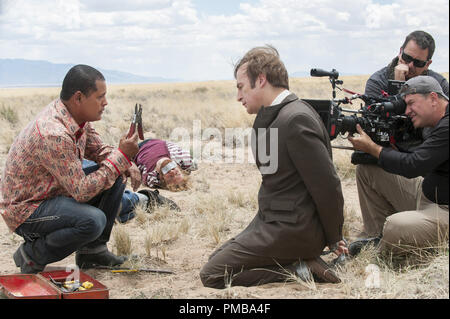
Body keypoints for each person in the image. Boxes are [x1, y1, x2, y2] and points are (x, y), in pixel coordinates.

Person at [199, 46, 348, 289]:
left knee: (213, 275)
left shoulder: (296, 118)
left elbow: (327, 186)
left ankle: (302, 268)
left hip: (294, 229)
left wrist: (334, 238)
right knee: (215, 260)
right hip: (273, 222)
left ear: (261, 80)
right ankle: (301, 262)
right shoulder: (274, 116)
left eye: (240, 86)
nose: (238, 96)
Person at [0, 64, 141, 273]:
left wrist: (124, 161)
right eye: (100, 97)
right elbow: (81, 191)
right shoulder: (54, 132)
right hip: (27, 209)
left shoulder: (76, 117)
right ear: (78, 98)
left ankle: (93, 253)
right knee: (93, 221)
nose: (105, 103)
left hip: (52, 193)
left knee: (116, 174)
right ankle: (32, 255)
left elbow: (98, 149)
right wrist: (121, 157)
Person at [348, 76, 449, 256]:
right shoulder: (438, 122)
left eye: (411, 103)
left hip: (443, 210)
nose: (407, 111)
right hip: (428, 195)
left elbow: (413, 165)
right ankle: (375, 236)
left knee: (396, 225)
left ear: (433, 98)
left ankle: (378, 251)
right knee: (368, 170)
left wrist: (372, 148)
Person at [116, 138, 197, 223]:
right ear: (180, 169)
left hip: (138, 149)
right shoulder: (181, 159)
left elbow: (150, 181)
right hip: (155, 141)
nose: (172, 171)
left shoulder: (150, 175)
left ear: (162, 178)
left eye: (170, 177)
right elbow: (190, 160)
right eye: (177, 173)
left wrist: (159, 169)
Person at [365, 30, 449, 99]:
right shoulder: (378, 82)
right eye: (407, 58)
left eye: (418, 62)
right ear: (400, 52)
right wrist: (398, 85)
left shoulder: (440, 85)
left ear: (428, 64)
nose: (410, 65)